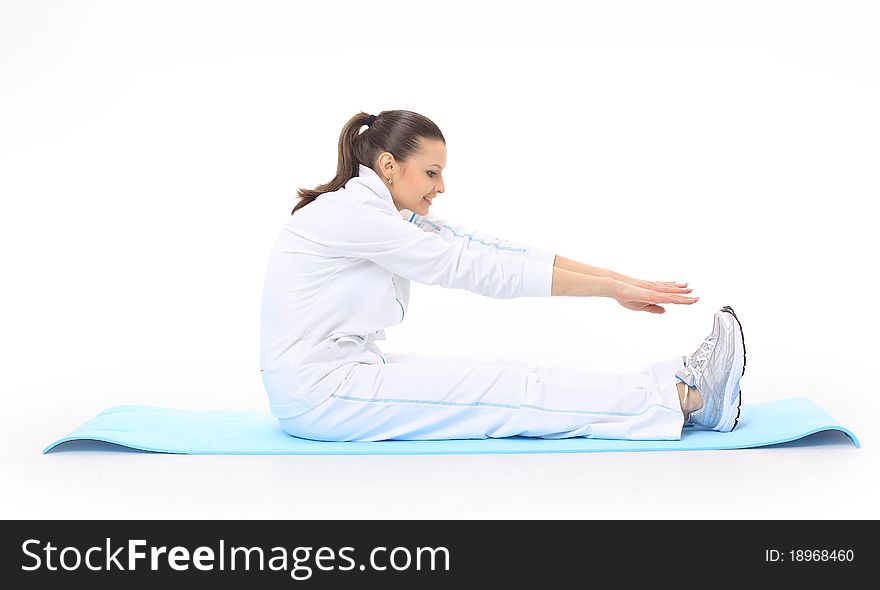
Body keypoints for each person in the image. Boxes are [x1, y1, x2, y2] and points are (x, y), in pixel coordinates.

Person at [259, 109, 746, 442]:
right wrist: (608, 289)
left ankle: (674, 385)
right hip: (320, 393)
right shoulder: (356, 217)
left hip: (347, 373)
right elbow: (472, 269)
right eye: (431, 173)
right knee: (506, 394)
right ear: (389, 166)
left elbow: (484, 248)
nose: (442, 186)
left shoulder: (379, 211)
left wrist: (615, 281)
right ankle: (694, 402)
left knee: (513, 376)